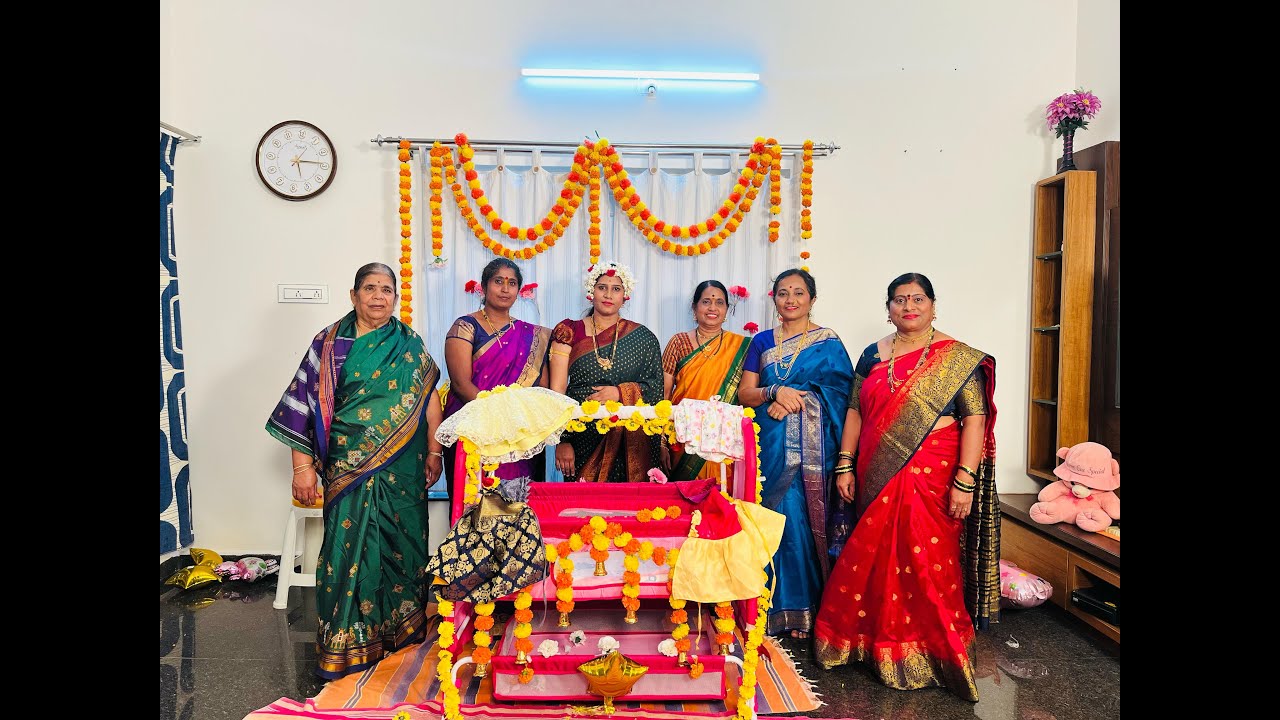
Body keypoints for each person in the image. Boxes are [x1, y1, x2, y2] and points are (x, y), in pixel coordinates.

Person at [813, 272, 999, 702]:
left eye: (917, 299)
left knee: (929, 560)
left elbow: (975, 420)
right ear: (888, 308)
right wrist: (845, 464)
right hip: (878, 471)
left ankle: (936, 652)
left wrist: (965, 481)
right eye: (899, 300)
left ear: (934, 305)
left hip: (934, 474)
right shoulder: (871, 355)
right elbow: (855, 411)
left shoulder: (957, 358)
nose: (908, 307)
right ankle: (868, 643)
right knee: (871, 558)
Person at [265, 262, 444, 680]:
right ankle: (347, 637)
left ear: (395, 297)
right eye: (370, 288)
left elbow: (429, 398)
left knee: (404, 544)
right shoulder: (329, 344)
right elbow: (300, 408)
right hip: (347, 470)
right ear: (353, 295)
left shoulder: (408, 342)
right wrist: (302, 468)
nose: (379, 296)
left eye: (387, 289)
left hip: (404, 468)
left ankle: (399, 632)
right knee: (347, 549)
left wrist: (435, 452)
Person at [738, 268, 853, 638]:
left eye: (798, 293)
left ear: (812, 299)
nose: (790, 300)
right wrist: (775, 393)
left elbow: (842, 396)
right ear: (773, 300)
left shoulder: (828, 342)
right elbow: (745, 394)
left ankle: (803, 607)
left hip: (812, 451)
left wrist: (798, 401)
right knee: (770, 518)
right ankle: (765, 606)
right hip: (767, 444)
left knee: (801, 518)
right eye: (783, 293)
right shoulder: (760, 342)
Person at [441, 258, 550, 510]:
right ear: (484, 286)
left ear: (518, 290)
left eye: (512, 283)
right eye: (498, 281)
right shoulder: (466, 326)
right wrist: (495, 420)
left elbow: (539, 390)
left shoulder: (532, 335)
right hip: (474, 430)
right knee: (475, 507)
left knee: (518, 509)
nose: (505, 289)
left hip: (518, 435)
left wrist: (518, 423)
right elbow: (460, 382)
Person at [550, 261, 663, 482]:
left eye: (616, 289)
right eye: (602, 287)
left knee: (631, 511)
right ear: (592, 291)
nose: (608, 294)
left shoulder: (644, 338)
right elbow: (556, 391)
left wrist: (619, 393)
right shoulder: (569, 331)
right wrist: (562, 440)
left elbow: (656, 390)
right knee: (583, 510)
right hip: (582, 437)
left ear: (625, 295)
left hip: (631, 441)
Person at [660, 280, 750, 481]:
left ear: (727, 309)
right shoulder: (678, 342)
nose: (712, 308)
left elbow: (747, 394)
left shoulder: (742, 346)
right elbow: (663, 396)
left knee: (723, 500)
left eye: (719, 302)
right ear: (695, 307)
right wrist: (661, 442)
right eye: (706, 301)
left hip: (726, 440)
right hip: (684, 437)